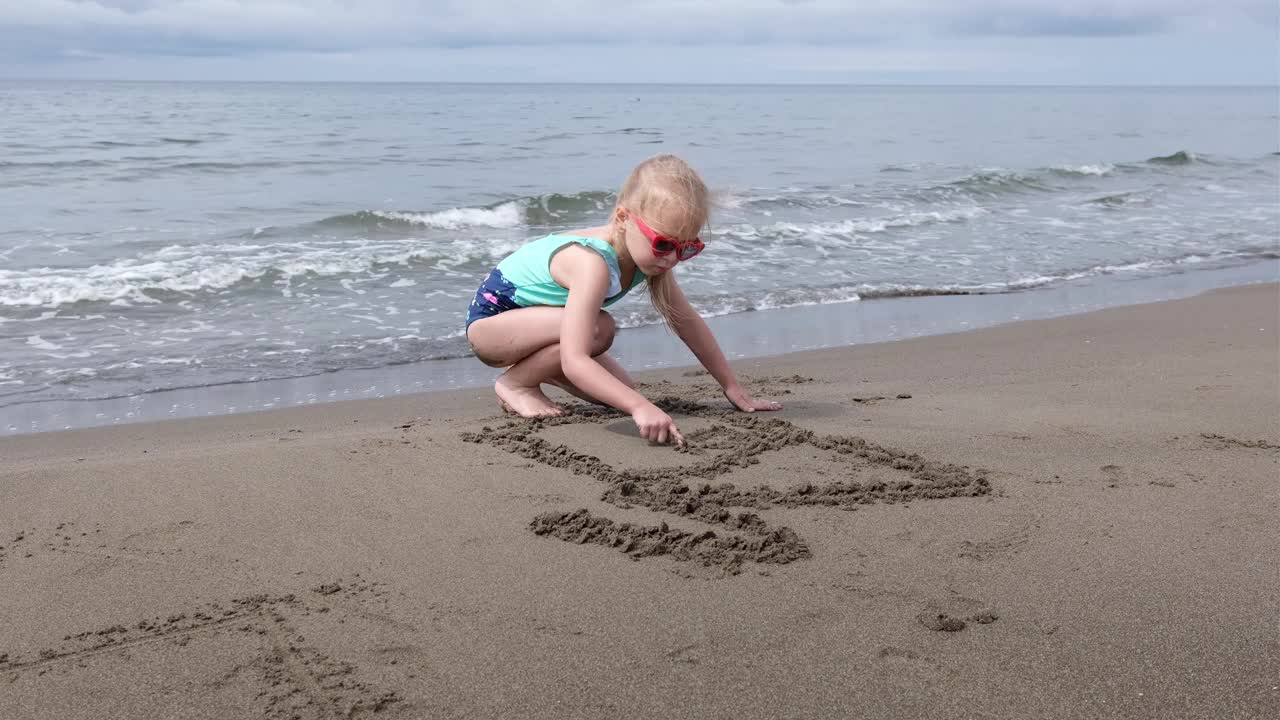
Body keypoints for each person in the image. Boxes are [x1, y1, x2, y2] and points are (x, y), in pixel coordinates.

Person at [464, 154, 782, 445]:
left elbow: (687, 322)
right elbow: (576, 358)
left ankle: (542, 369)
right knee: (598, 330)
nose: (671, 257)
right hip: (492, 327)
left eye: (686, 249)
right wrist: (641, 408)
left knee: (619, 388)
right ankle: (516, 385)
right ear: (623, 218)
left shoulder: (651, 261)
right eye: (662, 243)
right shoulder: (593, 264)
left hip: (536, 325)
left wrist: (731, 386)